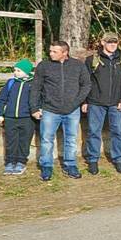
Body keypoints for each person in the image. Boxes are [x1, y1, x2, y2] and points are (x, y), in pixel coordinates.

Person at [31, 41, 91, 181]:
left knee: (71, 139)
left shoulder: (78, 66)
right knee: (46, 140)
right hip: (50, 110)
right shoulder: (44, 66)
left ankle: (70, 165)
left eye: (54, 52)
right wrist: (34, 107)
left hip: (72, 111)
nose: (50, 53)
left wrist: (76, 103)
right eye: (50, 51)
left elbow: (86, 85)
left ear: (65, 53)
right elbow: (36, 88)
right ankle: (46, 167)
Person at [84, 32, 121, 175]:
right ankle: (93, 160)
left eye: (115, 42)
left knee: (117, 132)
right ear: (102, 42)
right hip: (96, 102)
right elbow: (86, 82)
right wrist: (85, 101)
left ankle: (118, 159)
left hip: (116, 103)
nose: (112, 44)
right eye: (109, 42)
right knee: (93, 132)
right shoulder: (92, 59)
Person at [0, 59, 35, 175]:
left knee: (24, 141)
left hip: (27, 119)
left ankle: (21, 162)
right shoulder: (10, 83)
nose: (15, 72)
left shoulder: (33, 84)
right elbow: (1, 100)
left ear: (27, 72)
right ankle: (10, 162)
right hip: (10, 118)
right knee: (11, 141)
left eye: (19, 70)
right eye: (15, 70)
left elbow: (37, 100)